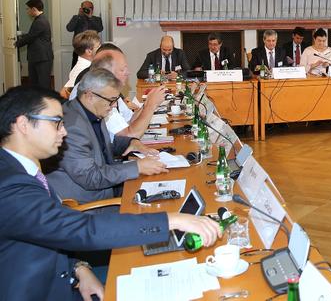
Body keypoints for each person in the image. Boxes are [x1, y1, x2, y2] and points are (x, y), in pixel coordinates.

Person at [0, 85, 220, 301]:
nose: (64, 131)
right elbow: (78, 228)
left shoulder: (20, 169)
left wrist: (78, 268)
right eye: (56, 123)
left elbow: (46, 232)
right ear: (23, 125)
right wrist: (172, 220)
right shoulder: (9, 186)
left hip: (67, 276)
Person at [46, 68, 168, 206]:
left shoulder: (92, 110)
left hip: (107, 187)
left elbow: (102, 147)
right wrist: (137, 167)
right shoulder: (72, 127)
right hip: (90, 205)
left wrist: (131, 143)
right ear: (90, 96)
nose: (114, 105)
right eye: (111, 100)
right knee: (158, 207)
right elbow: (91, 178)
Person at [15, 0, 54, 89]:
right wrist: (22, 34)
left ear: (34, 9)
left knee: (43, 85)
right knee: (36, 84)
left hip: (42, 58)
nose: (27, 11)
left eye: (28, 9)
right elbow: (34, 35)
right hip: (38, 57)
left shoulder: (40, 21)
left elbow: (30, 37)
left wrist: (15, 44)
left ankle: (46, 99)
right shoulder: (39, 19)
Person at [60, 31, 101, 99]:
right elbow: (66, 93)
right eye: (98, 46)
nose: (101, 48)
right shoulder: (82, 69)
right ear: (88, 51)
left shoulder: (87, 64)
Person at [66, 1, 103, 68]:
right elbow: (69, 29)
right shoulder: (76, 18)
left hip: (93, 49)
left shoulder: (96, 19)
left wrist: (90, 17)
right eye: (85, 8)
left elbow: (100, 28)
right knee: (76, 69)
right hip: (79, 49)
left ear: (93, 9)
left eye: (90, 8)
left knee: (93, 69)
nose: (87, 9)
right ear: (81, 8)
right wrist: (78, 16)